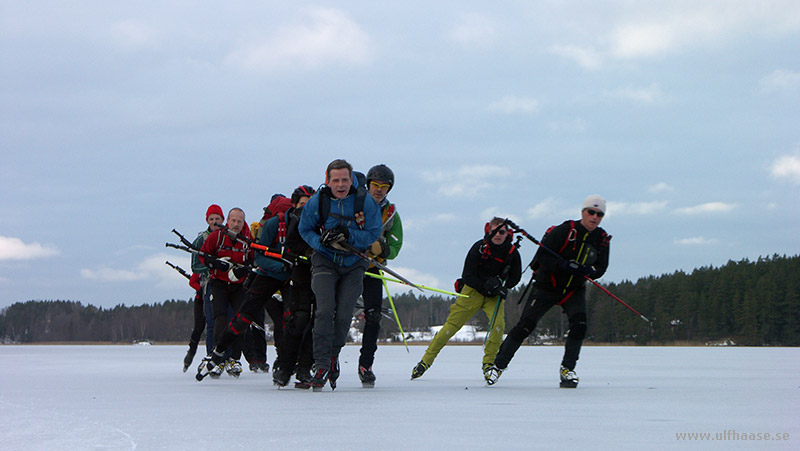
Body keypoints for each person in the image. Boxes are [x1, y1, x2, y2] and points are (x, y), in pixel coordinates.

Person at [485, 195, 611, 388]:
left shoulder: (601, 239)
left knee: (580, 325)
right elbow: (543, 256)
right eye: (591, 212)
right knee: (526, 325)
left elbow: (601, 268)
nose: (594, 217)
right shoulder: (565, 230)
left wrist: (587, 271)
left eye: (599, 214)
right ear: (583, 212)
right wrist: (563, 265)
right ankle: (498, 366)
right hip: (547, 285)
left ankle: (567, 369)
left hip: (573, 289)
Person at [298, 159, 382, 391]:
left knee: (344, 315)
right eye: (336, 180)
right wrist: (321, 242)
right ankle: (322, 364)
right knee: (324, 311)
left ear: (351, 179)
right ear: (328, 181)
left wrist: (348, 235)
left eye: (345, 179)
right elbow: (304, 229)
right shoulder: (318, 202)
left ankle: (334, 354)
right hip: (325, 261)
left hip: (354, 264)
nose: (341, 184)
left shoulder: (364, 202)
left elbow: (374, 231)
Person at [411, 217, 521, 382]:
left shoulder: (513, 253)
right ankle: (425, 362)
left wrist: (499, 284)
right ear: (488, 231)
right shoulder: (479, 248)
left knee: (498, 326)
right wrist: (486, 285)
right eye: (495, 231)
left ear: (507, 234)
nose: (498, 234)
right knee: (450, 327)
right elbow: (467, 275)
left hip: (495, 297)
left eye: (502, 231)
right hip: (472, 291)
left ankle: (489, 365)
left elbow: (515, 278)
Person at [357, 164, 403, 387]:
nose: (379, 190)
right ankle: (329, 361)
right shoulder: (356, 203)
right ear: (368, 185)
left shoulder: (391, 214)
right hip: (350, 266)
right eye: (375, 185)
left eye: (384, 187)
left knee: (373, 315)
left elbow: (396, 244)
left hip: (373, 269)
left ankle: (366, 365)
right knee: (337, 312)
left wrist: (383, 250)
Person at [197, 207, 252, 378]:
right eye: (233, 220)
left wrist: (245, 270)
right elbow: (202, 255)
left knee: (240, 321)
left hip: (239, 286)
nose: (236, 224)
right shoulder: (217, 237)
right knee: (219, 318)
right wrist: (214, 263)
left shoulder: (248, 240)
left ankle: (234, 359)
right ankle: (217, 357)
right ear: (227, 221)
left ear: (244, 222)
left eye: (239, 221)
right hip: (219, 283)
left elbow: (254, 260)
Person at [272, 185, 317, 387]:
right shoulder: (297, 218)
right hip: (301, 272)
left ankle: (305, 366)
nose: (306, 207)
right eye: (302, 204)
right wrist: (310, 251)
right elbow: (292, 243)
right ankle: (285, 366)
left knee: (317, 322)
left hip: (321, 273)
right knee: (298, 319)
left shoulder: (321, 215)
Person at [183, 204, 224, 371]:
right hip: (209, 286)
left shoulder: (227, 236)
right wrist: (212, 267)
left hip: (229, 286)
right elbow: (195, 266)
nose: (214, 222)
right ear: (207, 220)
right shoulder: (201, 240)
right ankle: (210, 357)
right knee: (210, 323)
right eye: (211, 219)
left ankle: (229, 359)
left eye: (217, 219)